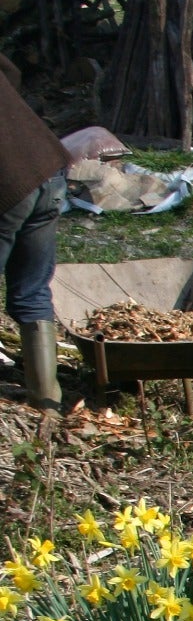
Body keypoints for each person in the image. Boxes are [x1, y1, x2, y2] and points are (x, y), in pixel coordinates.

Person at [1, 52, 73, 413]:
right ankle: (46, 404)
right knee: (31, 290)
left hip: (8, 183)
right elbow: (11, 71)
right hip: (46, 166)